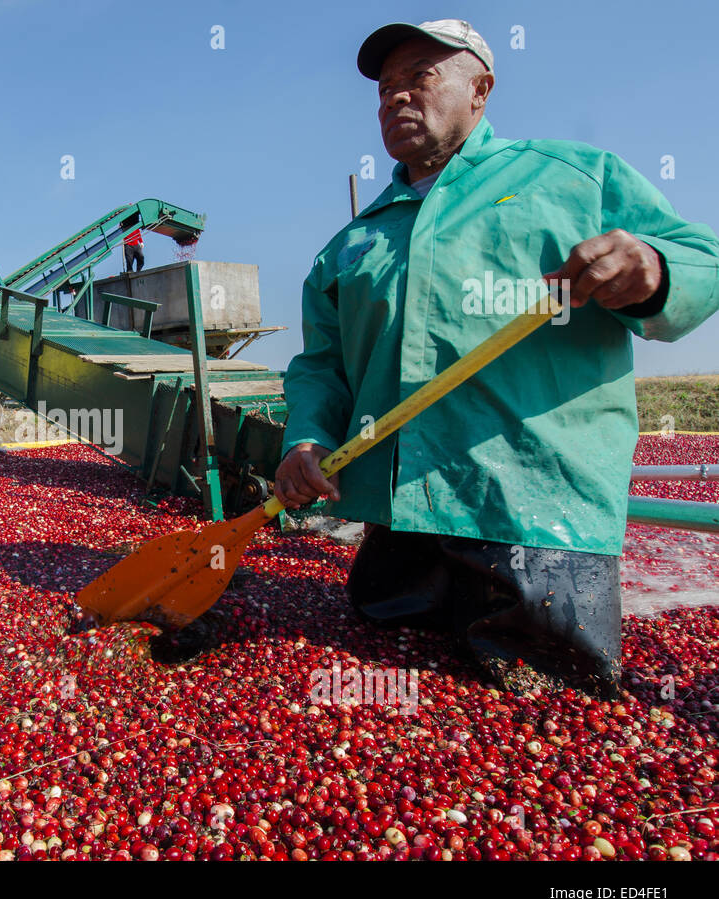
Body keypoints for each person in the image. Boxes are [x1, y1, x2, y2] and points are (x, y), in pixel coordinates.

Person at [274, 18, 719, 698]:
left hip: (537, 523)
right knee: (389, 691)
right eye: (385, 87)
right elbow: (320, 364)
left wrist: (653, 267)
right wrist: (306, 436)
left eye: (419, 76)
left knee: (548, 709)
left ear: (480, 90)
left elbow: (701, 259)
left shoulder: (570, 179)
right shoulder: (352, 244)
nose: (395, 98)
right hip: (398, 525)